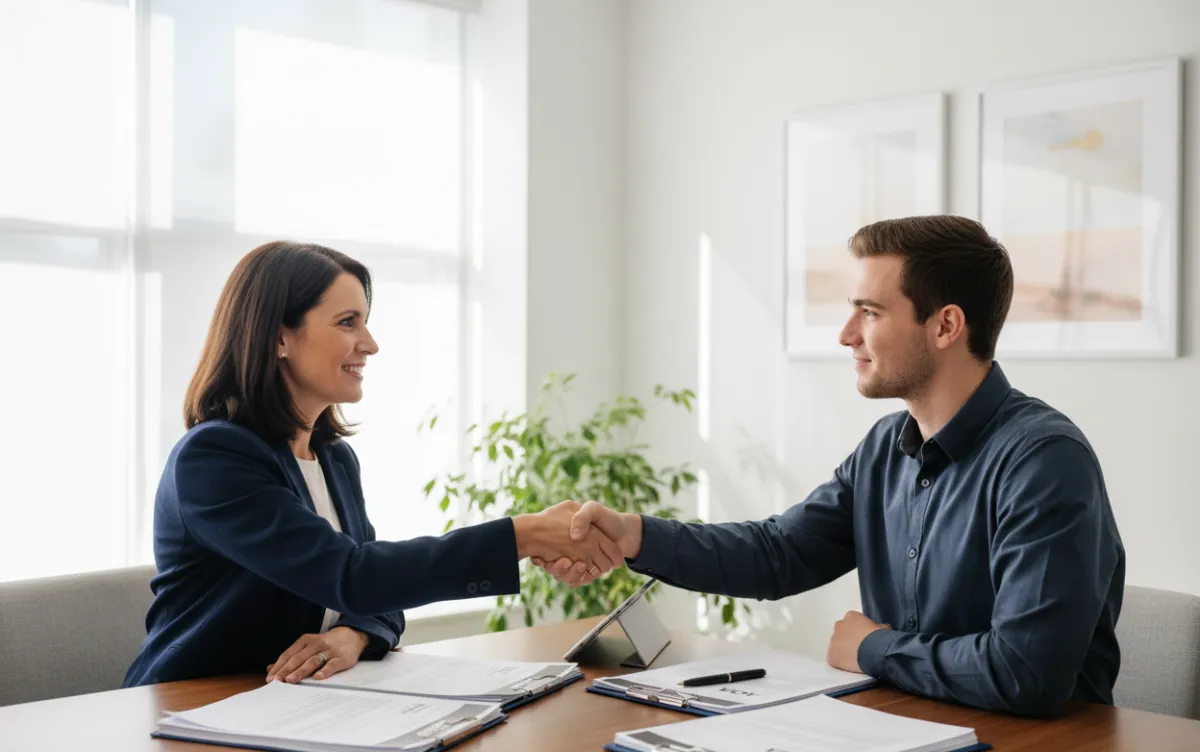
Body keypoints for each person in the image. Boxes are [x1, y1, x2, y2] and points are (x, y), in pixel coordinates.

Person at [540, 215, 1125, 718]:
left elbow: (1027, 673)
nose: (847, 335)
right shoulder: (884, 448)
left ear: (945, 325)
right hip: (911, 734)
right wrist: (635, 534)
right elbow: (779, 554)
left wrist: (875, 648)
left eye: (869, 313)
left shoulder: (1044, 462)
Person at [124, 241, 619, 687]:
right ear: (279, 338)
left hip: (300, 702)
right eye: (347, 322)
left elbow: (381, 594)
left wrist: (353, 637)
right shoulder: (214, 459)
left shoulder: (334, 459)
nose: (370, 343)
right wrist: (522, 534)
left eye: (365, 321)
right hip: (196, 706)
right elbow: (354, 575)